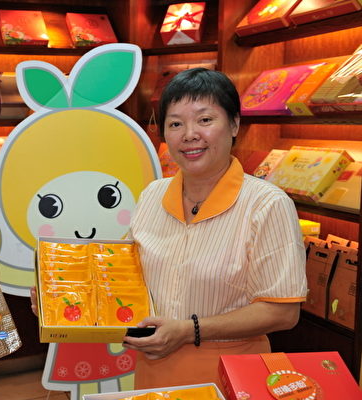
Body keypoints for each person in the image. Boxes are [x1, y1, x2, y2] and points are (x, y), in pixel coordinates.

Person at [120, 68, 307, 390]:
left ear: (234, 124)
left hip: (231, 376)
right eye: (175, 124)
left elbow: (283, 312)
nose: (189, 134)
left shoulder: (267, 204)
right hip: (154, 371)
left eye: (205, 120)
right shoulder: (152, 195)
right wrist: (63, 295)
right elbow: (123, 275)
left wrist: (188, 330)